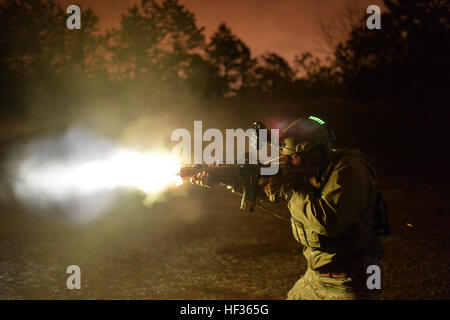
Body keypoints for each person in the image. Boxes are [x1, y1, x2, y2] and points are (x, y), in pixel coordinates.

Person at [191, 116, 387, 300]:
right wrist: (227, 180)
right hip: (316, 276)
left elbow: (327, 222)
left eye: (292, 157)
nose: (286, 162)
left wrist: (289, 190)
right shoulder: (309, 168)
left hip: (355, 280)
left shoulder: (349, 169)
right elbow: (268, 192)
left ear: (313, 152)